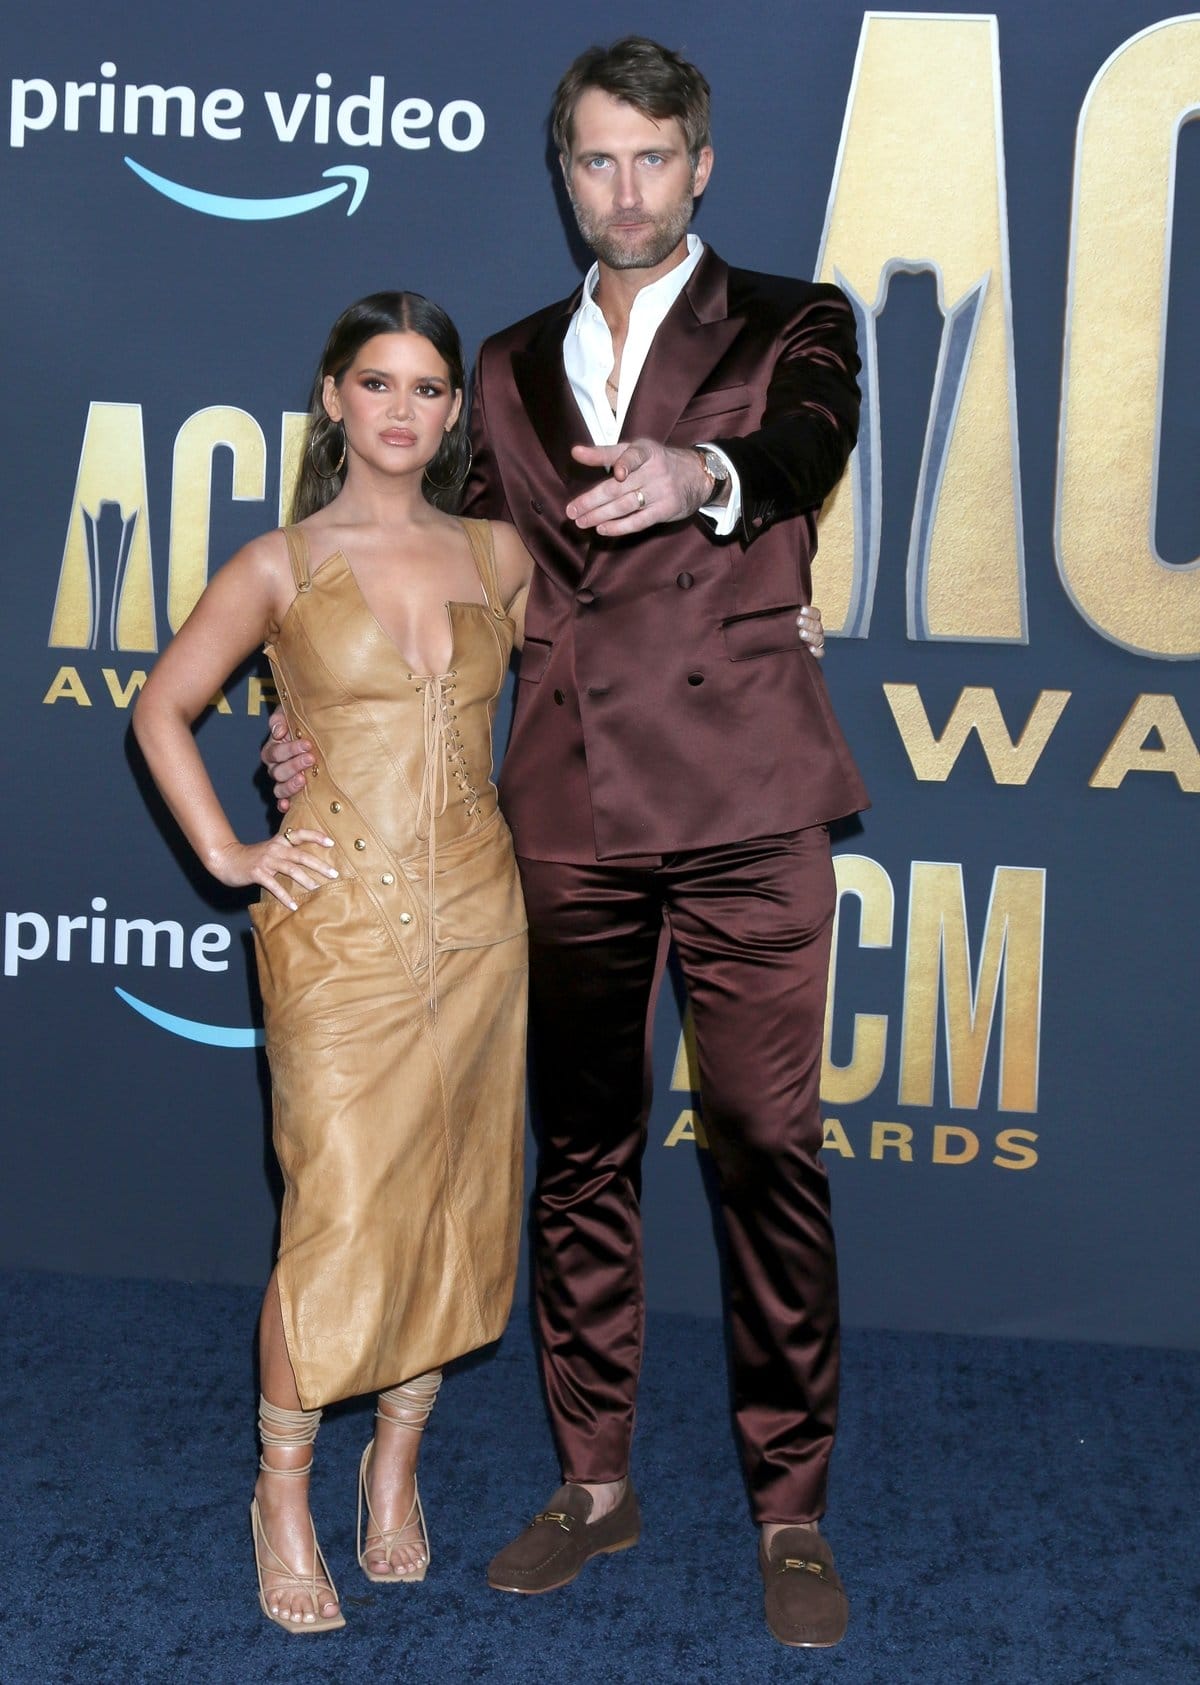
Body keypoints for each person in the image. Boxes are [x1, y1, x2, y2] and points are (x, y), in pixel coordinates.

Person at [267, 35, 861, 1648]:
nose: (624, 189)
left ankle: (790, 1507)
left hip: (746, 805)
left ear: (702, 166)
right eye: (595, 161)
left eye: (652, 159)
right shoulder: (510, 366)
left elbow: (809, 442)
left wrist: (709, 474)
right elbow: (428, 571)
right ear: (565, 172)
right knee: (584, 1160)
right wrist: (304, 709)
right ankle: (593, 1482)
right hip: (571, 820)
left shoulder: (799, 320)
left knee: (764, 1153)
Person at [132, 292, 533, 1634]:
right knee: (343, 1203)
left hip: (479, 918)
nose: (404, 411)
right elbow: (162, 705)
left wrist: (781, 621)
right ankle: (284, 1492)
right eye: (379, 384)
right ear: (331, 398)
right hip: (335, 928)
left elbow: (633, 660)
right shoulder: (280, 563)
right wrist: (234, 851)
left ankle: (396, 1460)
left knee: (452, 1195)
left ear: (451, 412)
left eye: (429, 389)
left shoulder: (500, 553)